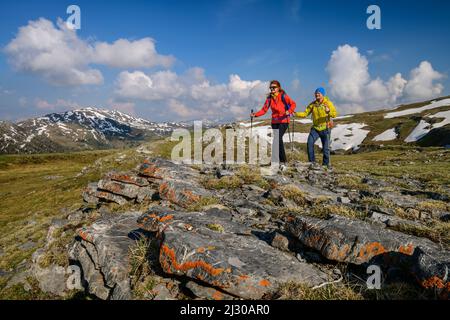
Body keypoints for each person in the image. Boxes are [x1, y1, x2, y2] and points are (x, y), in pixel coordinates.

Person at [251, 80, 296, 171]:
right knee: (277, 141)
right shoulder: (269, 99)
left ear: (278, 88)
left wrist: (289, 111)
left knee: (277, 139)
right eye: (271, 88)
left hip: (284, 121)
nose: (272, 89)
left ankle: (283, 161)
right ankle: (276, 161)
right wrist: (255, 114)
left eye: (274, 87)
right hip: (275, 122)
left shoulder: (283, 96)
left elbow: (293, 104)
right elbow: (264, 110)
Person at [295, 87, 337, 169]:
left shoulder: (328, 103)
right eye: (316, 93)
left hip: (326, 128)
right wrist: (295, 114)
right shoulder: (312, 104)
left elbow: (334, 114)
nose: (317, 94)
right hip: (315, 129)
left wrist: (328, 111)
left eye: (319, 93)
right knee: (309, 143)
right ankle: (312, 163)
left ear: (323, 95)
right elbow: (305, 113)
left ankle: (325, 165)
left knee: (326, 148)